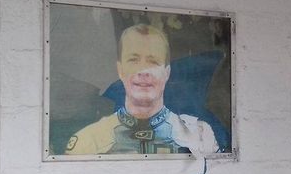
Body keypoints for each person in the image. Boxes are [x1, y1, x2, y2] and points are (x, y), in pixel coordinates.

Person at [65, 24, 218, 155]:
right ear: (120, 70)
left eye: (153, 61)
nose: (144, 70)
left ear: (167, 73)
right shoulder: (88, 142)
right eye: (134, 60)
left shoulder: (199, 135)